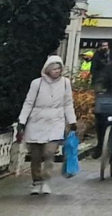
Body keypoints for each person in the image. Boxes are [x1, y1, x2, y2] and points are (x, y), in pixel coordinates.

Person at [15, 56, 76, 195]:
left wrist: (72, 121)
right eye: (54, 69)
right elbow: (28, 102)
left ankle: (47, 180)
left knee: (49, 152)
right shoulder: (37, 83)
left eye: (59, 69)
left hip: (56, 121)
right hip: (36, 121)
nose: (57, 71)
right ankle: (36, 181)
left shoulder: (65, 83)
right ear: (47, 69)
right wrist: (22, 121)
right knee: (35, 155)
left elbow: (68, 103)